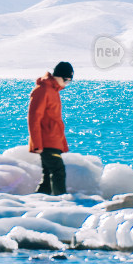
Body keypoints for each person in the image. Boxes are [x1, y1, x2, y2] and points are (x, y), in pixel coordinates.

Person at [28, 61, 74, 195]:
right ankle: (61, 203)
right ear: (58, 76)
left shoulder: (53, 91)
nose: (66, 84)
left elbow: (55, 121)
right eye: (66, 80)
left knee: (48, 175)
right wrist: (37, 144)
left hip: (54, 141)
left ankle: (39, 202)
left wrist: (62, 144)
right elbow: (34, 118)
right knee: (58, 171)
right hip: (46, 141)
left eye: (69, 82)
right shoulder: (43, 90)